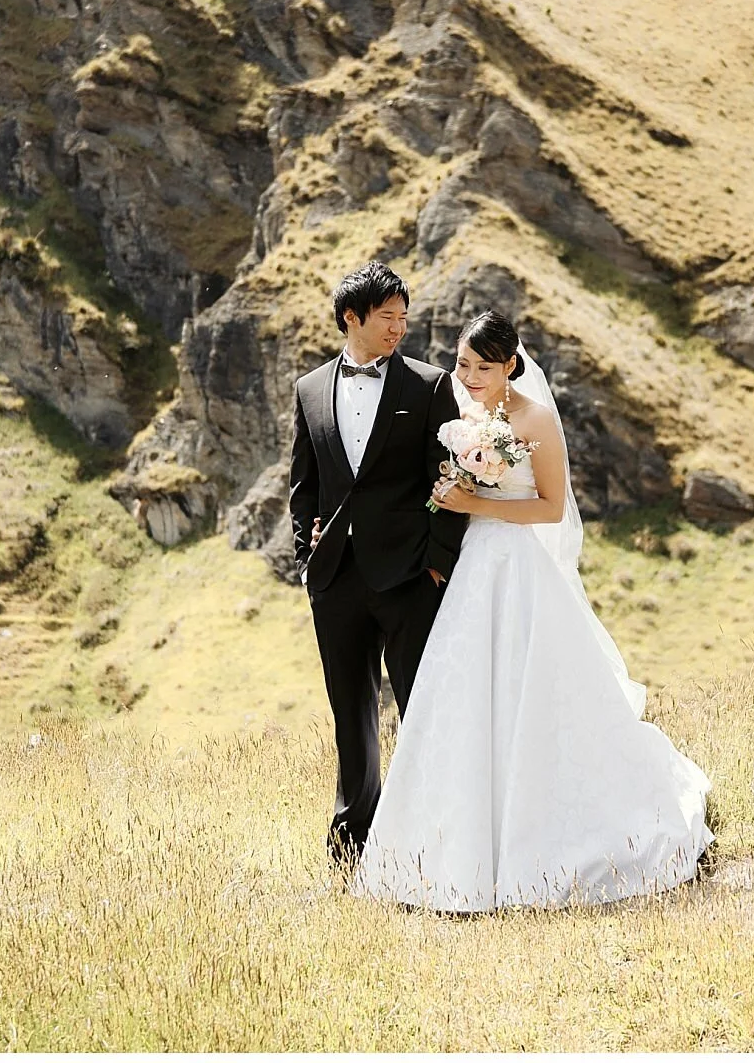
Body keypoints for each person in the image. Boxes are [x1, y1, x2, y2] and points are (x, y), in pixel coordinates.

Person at [350, 310, 714, 911]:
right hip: (472, 570)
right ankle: (445, 847)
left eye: (480, 367)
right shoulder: (462, 411)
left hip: (519, 566)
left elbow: (548, 508)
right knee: (463, 697)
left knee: (538, 695)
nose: (466, 375)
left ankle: (547, 841)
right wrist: (448, 498)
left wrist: (476, 502)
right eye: (462, 363)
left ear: (511, 367)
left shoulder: (535, 418)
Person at [288, 261, 469, 870]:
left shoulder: (429, 385)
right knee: (351, 714)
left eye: (404, 318)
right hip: (337, 578)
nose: (399, 328)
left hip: (411, 577)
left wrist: (439, 563)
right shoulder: (309, 389)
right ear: (352, 319)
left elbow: (446, 477)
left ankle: (432, 840)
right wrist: (306, 556)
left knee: (421, 709)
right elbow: (303, 485)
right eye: (388, 318)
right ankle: (352, 845)